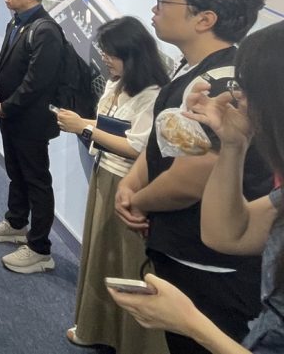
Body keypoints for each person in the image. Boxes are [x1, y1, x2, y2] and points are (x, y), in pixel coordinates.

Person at [115, 0, 270, 354]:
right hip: (183, 247)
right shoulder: (193, 69)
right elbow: (166, 140)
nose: (155, 9)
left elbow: (193, 176)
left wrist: (137, 201)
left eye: (164, 0)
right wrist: (131, 182)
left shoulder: (221, 82)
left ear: (205, 19)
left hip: (210, 263)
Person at [55, 17, 170, 353]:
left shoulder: (153, 96)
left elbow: (138, 147)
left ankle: (129, 341)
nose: (105, 58)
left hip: (128, 183)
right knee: (100, 256)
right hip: (105, 173)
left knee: (127, 261)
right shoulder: (116, 84)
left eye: (111, 53)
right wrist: (83, 122)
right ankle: (96, 328)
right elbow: (110, 126)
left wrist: (84, 128)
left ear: (133, 54)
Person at [0, 0, 62, 273]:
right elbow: (2, 62)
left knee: (36, 179)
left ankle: (40, 248)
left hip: (32, 120)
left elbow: (37, 81)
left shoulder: (46, 30)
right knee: (16, 171)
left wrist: (9, 106)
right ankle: (16, 223)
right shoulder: (16, 22)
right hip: (11, 115)